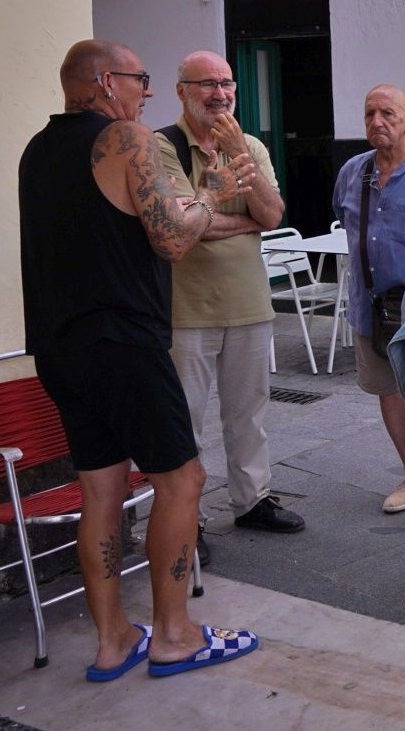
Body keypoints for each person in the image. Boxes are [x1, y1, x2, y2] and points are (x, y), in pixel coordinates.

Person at [19, 39, 259, 680]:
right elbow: (174, 237)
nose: (146, 91)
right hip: (124, 342)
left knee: (100, 489)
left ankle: (113, 640)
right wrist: (212, 191)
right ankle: (176, 635)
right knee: (181, 480)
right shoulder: (127, 139)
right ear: (104, 80)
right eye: (140, 78)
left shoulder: (36, 151)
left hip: (60, 349)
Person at [157, 51, 304, 565]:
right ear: (182, 91)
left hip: (248, 303)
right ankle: (185, 518)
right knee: (185, 421)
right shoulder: (163, 147)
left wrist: (241, 156)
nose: (219, 95)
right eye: (207, 85)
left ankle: (252, 500)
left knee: (249, 413)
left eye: (227, 85)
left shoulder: (252, 147)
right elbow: (180, 226)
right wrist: (238, 221)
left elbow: (272, 212)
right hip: (185, 309)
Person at [333, 85, 405, 514]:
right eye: (369, 114)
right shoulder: (353, 171)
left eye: (388, 113)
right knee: (389, 393)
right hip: (373, 312)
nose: (376, 122)